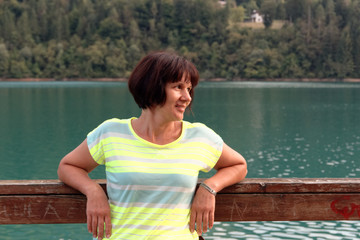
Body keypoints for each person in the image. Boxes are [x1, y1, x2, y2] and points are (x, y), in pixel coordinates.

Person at [57, 51, 247, 240]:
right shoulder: (111, 133)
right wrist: (93, 190)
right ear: (152, 87)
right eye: (178, 87)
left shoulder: (199, 136)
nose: (187, 97)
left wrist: (210, 187)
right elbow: (68, 166)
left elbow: (239, 165)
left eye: (189, 89)